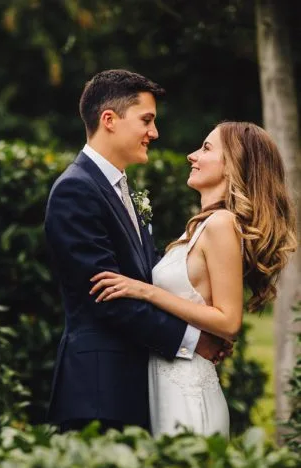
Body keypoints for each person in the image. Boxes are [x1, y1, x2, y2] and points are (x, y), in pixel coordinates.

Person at [44, 69, 229, 435]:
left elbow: (145, 274)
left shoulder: (120, 188)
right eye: (147, 120)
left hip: (133, 382)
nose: (154, 133)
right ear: (109, 120)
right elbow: (107, 295)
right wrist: (194, 340)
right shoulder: (75, 191)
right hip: (99, 388)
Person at [90, 121, 297, 437]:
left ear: (233, 166)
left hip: (187, 390)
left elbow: (228, 321)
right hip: (169, 379)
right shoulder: (200, 227)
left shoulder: (221, 224)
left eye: (206, 148)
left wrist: (147, 292)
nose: (191, 155)